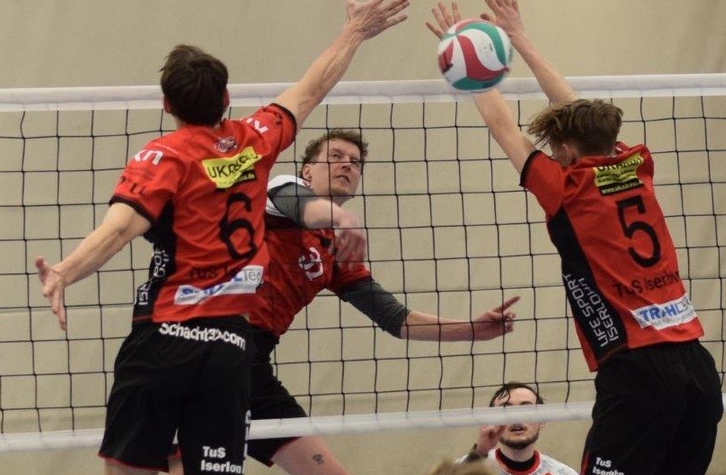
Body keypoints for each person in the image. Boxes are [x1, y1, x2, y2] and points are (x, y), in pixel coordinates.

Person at [35, 0, 410, 475]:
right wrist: (353, 31)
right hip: (230, 346)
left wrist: (64, 271)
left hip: (165, 335)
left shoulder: (163, 156)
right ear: (227, 99)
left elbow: (119, 229)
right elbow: (312, 87)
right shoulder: (257, 139)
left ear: (167, 105)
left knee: (128, 468)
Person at [427, 0, 723, 475]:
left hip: (636, 371)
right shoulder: (633, 163)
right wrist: (520, 38)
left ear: (565, 151)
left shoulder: (566, 188)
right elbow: (578, 114)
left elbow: (504, 128)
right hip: (697, 369)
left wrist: (466, 64)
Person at [169, 128, 521, 475]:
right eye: (335, 156)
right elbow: (301, 206)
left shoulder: (336, 250)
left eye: (355, 162)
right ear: (307, 171)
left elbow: (395, 318)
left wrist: (473, 330)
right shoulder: (282, 190)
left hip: (252, 362)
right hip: (206, 343)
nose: (347, 165)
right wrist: (343, 218)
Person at [458, 382, 577, 475]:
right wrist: (479, 452)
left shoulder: (563, 473)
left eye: (526, 409)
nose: (516, 418)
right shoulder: (465, 468)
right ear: (493, 421)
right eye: (506, 410)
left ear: (542, 421)